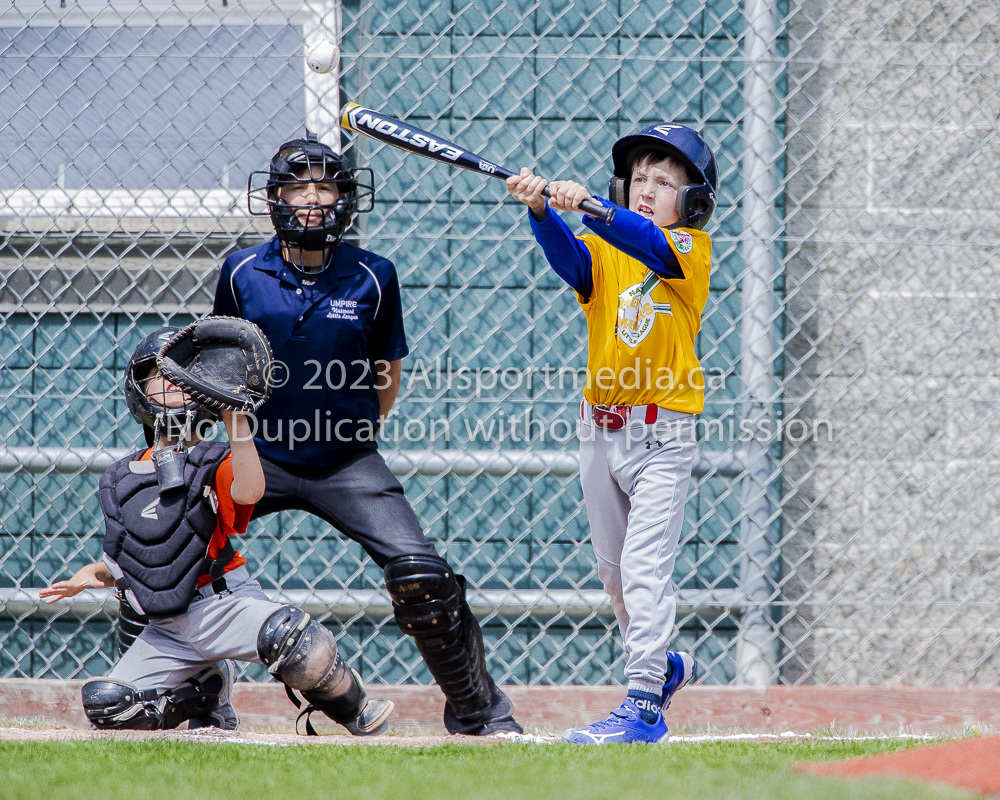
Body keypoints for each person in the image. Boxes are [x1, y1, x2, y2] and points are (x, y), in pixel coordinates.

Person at [211, 131, 522, 736]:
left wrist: (349, 434)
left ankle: (478, 710)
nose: (310, 199)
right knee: (171, 538)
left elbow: (386, 373)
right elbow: (224, 369)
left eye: (324, 186)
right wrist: (242, 442)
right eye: (296, 186)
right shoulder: (242, 271)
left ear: (345, 199)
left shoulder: (373, 275)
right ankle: (194, 696)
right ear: (273, 197)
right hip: (260, 455)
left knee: (421, 575)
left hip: (345, 459)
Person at [41, 327, 393, 735]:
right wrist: (88, 575)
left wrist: (236, 420)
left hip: (223, 605)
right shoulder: (120, 477)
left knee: (293, 640)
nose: (173, 382)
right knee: (109, 704)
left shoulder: (215, 459)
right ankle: (207, 691)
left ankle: (356, 710)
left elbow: (249, 491)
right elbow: (138, 552)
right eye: (160, 373)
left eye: (185, 375)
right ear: (139, 388)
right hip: (168, 630)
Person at [506, 123, 718, 744]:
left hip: (663, 432)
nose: (647, 189)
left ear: (694, 201)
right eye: (639, 179)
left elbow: (647, 239)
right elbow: (572, 260)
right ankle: (663, 665)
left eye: (664, 181)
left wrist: (593, 208)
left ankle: (644, 704)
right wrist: (544, 211)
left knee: (645, 566)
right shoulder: (603, 247)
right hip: (598, 432)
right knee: (614, 572)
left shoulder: (688, 252)